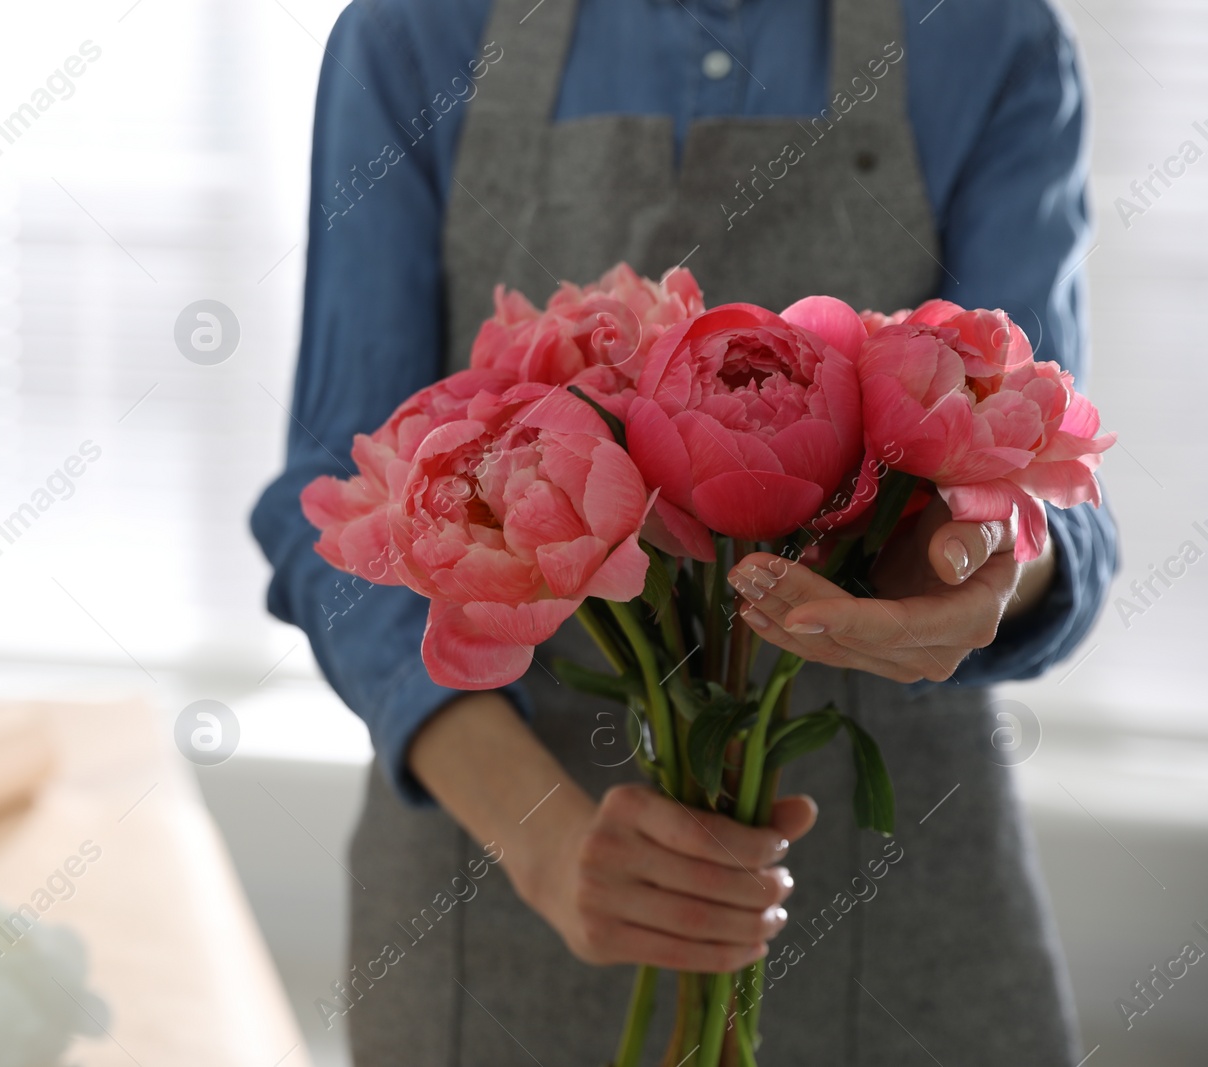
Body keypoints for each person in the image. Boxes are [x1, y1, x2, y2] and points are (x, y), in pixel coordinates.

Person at [251, 0, 1118, 1063]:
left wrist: (975, 569)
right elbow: (338, 502)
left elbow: (1048, 470)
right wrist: (546, 839)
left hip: (902, 912)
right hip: (496, 887)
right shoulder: (412, 39)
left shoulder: (982, 37)